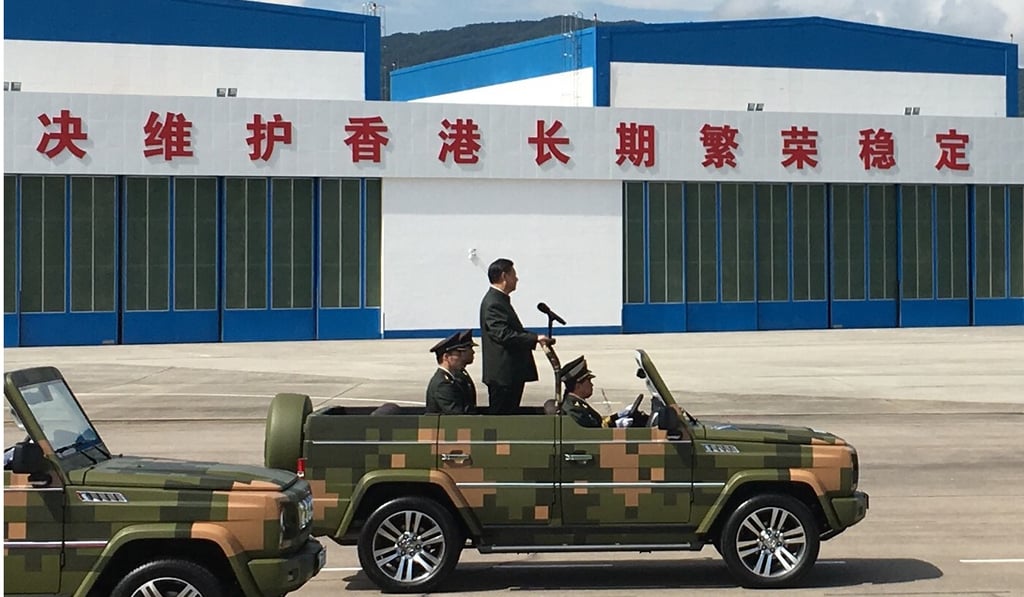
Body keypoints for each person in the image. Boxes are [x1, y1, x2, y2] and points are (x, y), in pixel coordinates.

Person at [479, 258, 549, 414]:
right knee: (502, 416)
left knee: (509, 413)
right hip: (503, 376)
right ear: (504, 276)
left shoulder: (500, 300)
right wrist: (534, 339)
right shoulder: (494, 303)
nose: (516, 279)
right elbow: (502, 334)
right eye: (514, 275)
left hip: (510, 374)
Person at [560, 355, 633, 428]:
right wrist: (616, 424)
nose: (592, 385)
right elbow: (593, 430)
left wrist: (616, 416)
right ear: (578, 386)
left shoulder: (578, 404)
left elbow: (598, 422)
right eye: (588, 381)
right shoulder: (574, 408)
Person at [425, 330, 478, 414]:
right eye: (459, 353)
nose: (461, 357)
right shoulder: (443, 384)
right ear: (446, 357)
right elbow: (456, 414)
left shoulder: (456, 377)